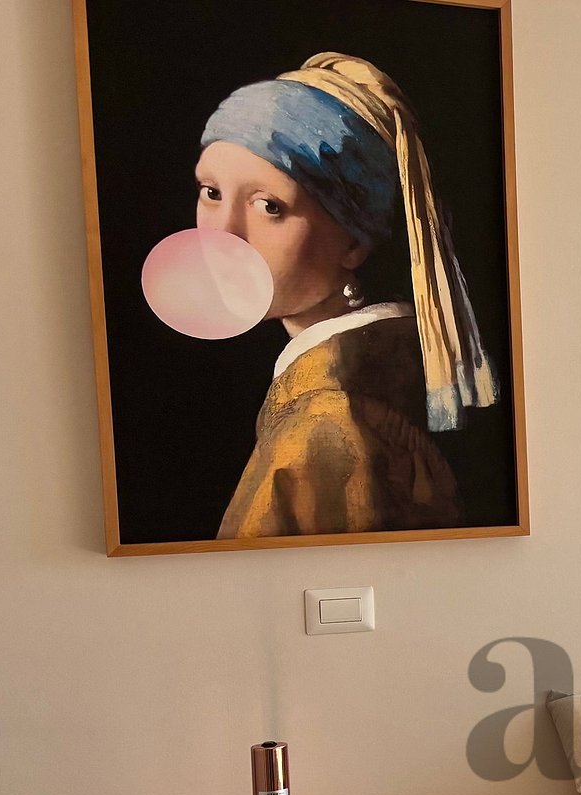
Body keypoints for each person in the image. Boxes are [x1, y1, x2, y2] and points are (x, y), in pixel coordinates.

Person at [193, 53, 496, 538]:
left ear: (354, 242)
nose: (224, 235)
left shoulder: (330, 418)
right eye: (211, 192)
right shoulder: (376, 369)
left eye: (269, 206)